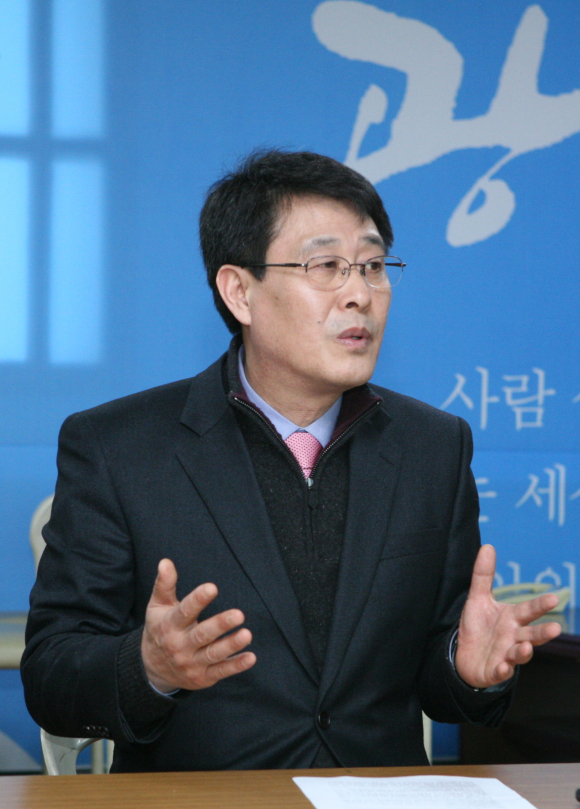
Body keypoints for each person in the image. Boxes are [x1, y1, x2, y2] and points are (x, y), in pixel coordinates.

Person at [21, 150, 561, 772]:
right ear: (239, 292)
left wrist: (466, 670)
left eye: (374, 266)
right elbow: (51, 676)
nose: (360, 294)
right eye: (327, 266)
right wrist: (151, 668)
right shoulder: (120, 447)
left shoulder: (432, 447)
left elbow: (439, 678)